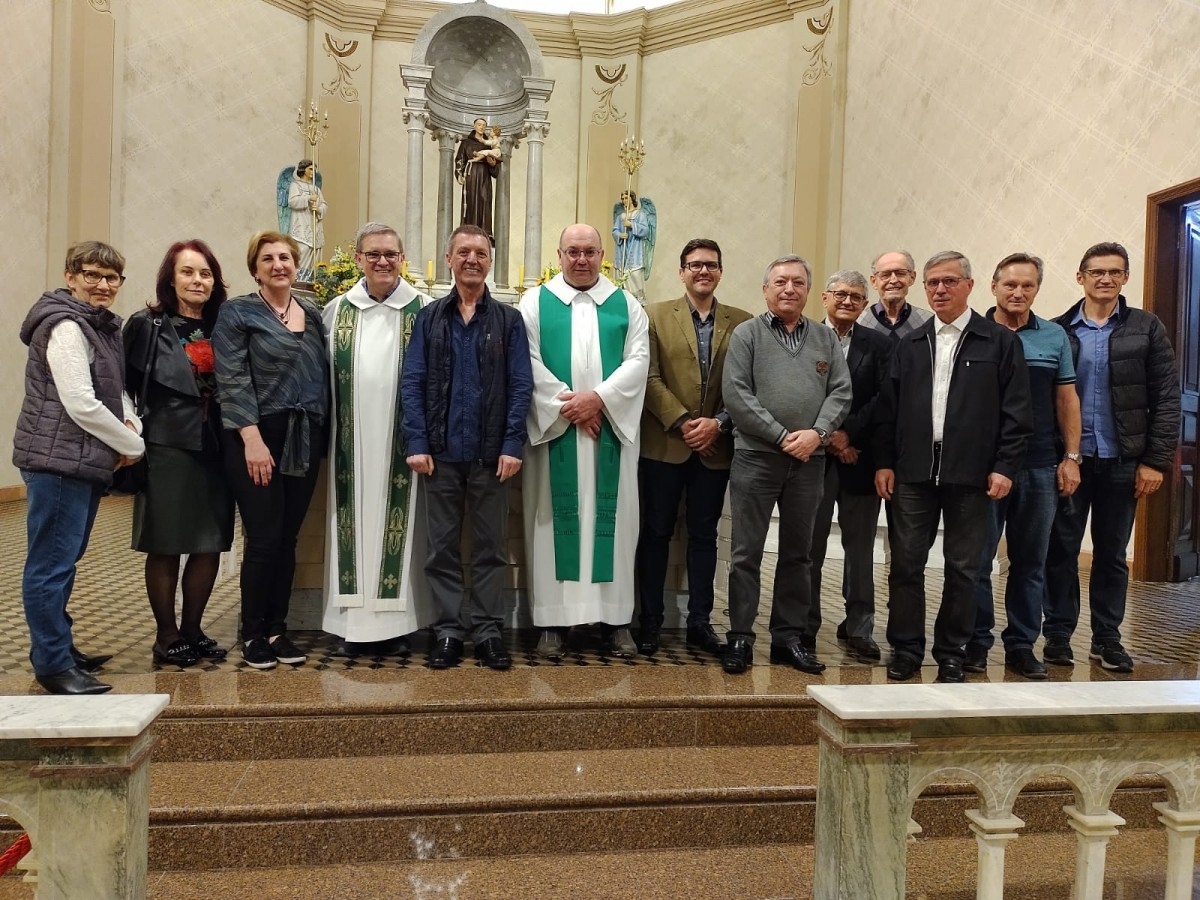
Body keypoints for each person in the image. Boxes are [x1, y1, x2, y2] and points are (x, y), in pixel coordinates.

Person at [874, 251, 1032, 684]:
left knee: (965, 569)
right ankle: (905, 649)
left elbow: (1017, 414)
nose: (939, 289)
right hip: (912, 475)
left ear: (969, 285)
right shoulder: (908, 344)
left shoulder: (999, 342)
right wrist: (885, 463)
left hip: (973, 476)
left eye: (948, 281)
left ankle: (951, 653)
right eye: (932, 283)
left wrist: (1004, 467)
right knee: (905, 564)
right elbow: (888, 411)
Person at [14, 241, 145, 695]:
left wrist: (131, 421)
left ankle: (60, 647)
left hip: (80, 460)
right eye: (92, 275)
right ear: (71, 276)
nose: (102, 285)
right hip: (58, 461)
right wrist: (133, 445)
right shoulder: (67, 325)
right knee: (49, 566)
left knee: (62, 562)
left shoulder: (100, 327)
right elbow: (81, 403)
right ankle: (52, 664)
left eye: (111, 278)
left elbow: (114, 390)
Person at [1043, 241, 1180, 673]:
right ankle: (1059, 637)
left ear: (1125, 278)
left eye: (1114, 272)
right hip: (1071, 460)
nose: (1105, 279)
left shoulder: (1147, 327)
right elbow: (1045, 400)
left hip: (1124, 460)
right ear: (1080, 277)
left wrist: (1155, 461)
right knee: (1061, 549)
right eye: (1096, 271)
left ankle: (1107, 638)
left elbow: (1167, 398)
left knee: (1112, 554)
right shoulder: (1057, 329)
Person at [402, 224, 533, 670]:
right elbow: (413, 382)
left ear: (490, 261)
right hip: (439, 455)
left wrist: (512, 444)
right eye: (463, 252)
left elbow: (520, 386)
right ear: (449, 259)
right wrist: (417, 441)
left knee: (489, 547)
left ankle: (489, 630)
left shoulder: (508, 321)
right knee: (440, 548)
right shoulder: (429, 318)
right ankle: (448, 631)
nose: (472, 259)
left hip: (491, 455)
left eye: (480, 252)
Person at [519, 224, 649, 660]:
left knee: (616, 525)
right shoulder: (535, 302)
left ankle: (615, 621)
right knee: (550, 522)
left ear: (602, 254)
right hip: (557, 435)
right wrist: (570, 410)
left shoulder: (626, 304)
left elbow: (638, 362)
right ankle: (552, 622)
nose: (581, 259)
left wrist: (599, 401)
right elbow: (528, 361)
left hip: (609, 433)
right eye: (573, 251)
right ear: (559, 255)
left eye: (589, 251)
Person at [721, 255, 852, 675]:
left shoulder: (825, 339)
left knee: (800, 555)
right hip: (756, 459)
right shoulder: (747, 335)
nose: (789, 289)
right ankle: (740, 636)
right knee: (746, 553)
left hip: (809, 462)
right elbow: (737, 395)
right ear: (765, 289)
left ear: (809, 291)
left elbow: (841, 392)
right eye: (780, 281)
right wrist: (780, 436)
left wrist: (818, 434)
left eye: (798, 282)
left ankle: (788, 639)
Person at [213, 231, 330, 670]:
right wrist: (252, 438)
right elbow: (232, 377)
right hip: (257, 436)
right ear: (255, 268)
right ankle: (252, 632)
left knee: (288, 537)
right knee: (263, 539)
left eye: (285, 257)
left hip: (304, 435)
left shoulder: (313, 315)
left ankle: (278, 628)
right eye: (268, 259)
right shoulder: (238, 312)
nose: (278, 264)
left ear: (295, 264)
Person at [966, 253, 1081, 680]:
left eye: (1027, 286)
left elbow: (1066, 400)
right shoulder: (973, 333)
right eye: (1010, 284)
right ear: (992, 287)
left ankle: (1020, 645)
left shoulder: (1054, 337)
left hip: (1039, 466)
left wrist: (1071, 457)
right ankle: (977, 642)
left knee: (1031, 561)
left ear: (1036, 289)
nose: (1018, 292)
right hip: (984, 468)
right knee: (977, 562)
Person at [322, 223, 435, 659]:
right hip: (349, 446)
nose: (383, 261)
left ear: (403, 259)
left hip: (405, 445)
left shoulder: (424, 310)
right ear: (358, 260)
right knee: (352, 525)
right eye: (373, 254)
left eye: (391, 254)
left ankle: (400, 624)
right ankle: (352, 624)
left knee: (402, 532)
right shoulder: (336, 312)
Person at [635, 238, 751, 657]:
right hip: (665, 444)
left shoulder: (742, 322)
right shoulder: (653, 316)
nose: (703, 271)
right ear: (681, 271)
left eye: (711, 265)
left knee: (705, 537)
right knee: (655, 534)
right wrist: (685, 423)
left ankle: (700, 623)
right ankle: (649, 622)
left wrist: (717, 423)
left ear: (720, 271)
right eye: (695, 265)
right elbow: (646, 377)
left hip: (715, 449)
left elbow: (746, 386)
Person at [123, 239, 235, 667]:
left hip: (218, 443)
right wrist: (129, 437)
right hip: (166, 443)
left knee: (210, 542)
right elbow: (121, 388)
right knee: (166, 542)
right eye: (188, 272)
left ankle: (193, 629)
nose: (197, 280)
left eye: (205, 273)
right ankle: (166, 635)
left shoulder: (226, 323)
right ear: (171, 277)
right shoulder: (146, 325)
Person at [807, 270, 892, 662]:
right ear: (823, 297)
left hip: (859, 458)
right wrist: (828, 436)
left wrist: (847, 436)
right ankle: (804, 624)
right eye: (839, 294)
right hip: (811, 460)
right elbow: (798, 393)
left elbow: (882, 399)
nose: (847, 301)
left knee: (860, 551)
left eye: (856, 297)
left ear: (864, 303)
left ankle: (859, 627)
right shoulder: (803, 337)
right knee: (810, 548)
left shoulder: (879, 344)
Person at [857, 250, 932, 339]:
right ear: (874, 281)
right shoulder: (858, 321)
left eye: (900, 273)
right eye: (885, 275)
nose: (893, 280)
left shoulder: (928, 321)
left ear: (912, 278)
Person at [278, 159, 327, 281]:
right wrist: (308, 198)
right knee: (302, 251)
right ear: (303, 169)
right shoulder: (296, 185)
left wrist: (319, 208)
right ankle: (299, 280)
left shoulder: (316, 189)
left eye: (314, 169)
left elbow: (324, 205)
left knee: (315, 254)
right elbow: (292, 202)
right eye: (310, 169)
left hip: (315, 226)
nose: (313, 172)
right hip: (301, 225)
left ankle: (311, 280)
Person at [455, 118, 500, 240]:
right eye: (479, 124)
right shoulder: (466, 143)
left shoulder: (488, 144)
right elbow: (460, 159)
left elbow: (495, 168)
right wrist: (459, 174)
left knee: (484, 201)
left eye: (484, 125)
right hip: (471, 175)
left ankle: (484, 233)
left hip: (484, 176)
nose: (481, 127)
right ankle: (468, 232)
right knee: (470, 202)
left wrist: (492, 164)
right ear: (474, 126)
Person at [611, 191, 657, 301]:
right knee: (621, 274)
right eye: (622, 198)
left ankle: (637, 301)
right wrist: (620, 235)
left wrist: (631, 225)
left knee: (634, 274)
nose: (624, 200)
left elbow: (645, 230)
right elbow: (615, 231)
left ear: (632, 199)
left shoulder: (640, 214)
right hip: (623, 249)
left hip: (635, 249)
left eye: (626, 198)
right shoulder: (621, 216)